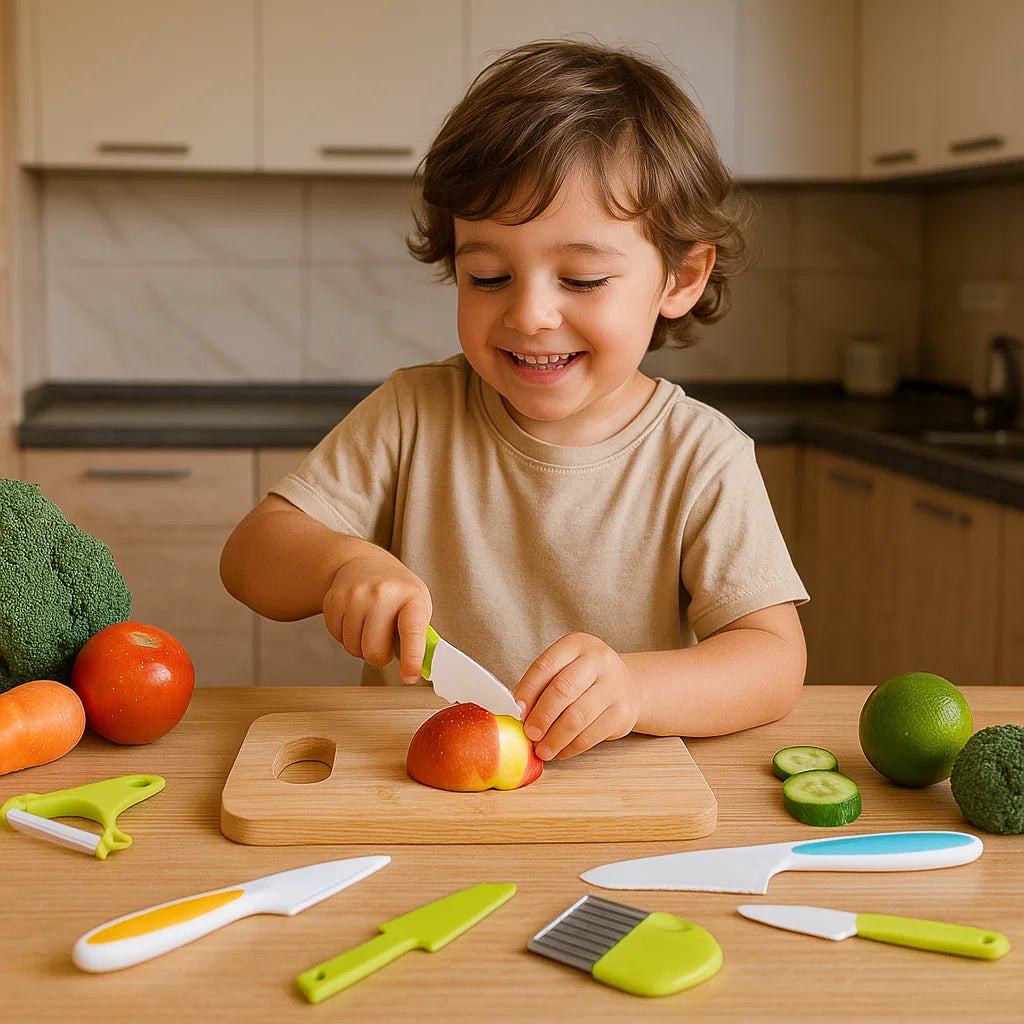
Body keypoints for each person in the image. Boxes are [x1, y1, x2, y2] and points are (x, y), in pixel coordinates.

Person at [220, 39, 808, 762]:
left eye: (583, 280)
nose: (529, 315)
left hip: (611, 802)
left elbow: (774, 663)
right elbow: (250, 558)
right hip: (414, 789)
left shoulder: (702, 455)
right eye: (490, 277)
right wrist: (340, 565)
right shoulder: (413, 413)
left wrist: (636, 688)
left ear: (681, 278)